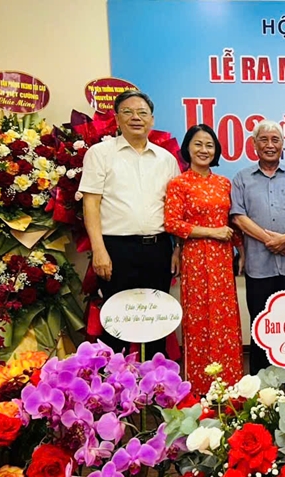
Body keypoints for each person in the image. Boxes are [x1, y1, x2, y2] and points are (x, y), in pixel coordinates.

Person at [79, 90, 181, 359]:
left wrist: (177, 248)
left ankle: (156, 380)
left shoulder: (166, 159)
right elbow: (91, 204)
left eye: (142, 113)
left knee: (157, 320)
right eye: (128, 112)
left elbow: (176, 208)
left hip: (158, 248)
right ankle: (114, 382)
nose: (136, 117)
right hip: (116, 249)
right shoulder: (100, 154)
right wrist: (99, 250)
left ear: (152, 119)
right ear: (117, 118)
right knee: (116, 321)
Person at [165, 124, 245, 394]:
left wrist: (241, 250)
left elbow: (231, 222)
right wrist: (211, 232)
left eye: (209, 145)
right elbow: (172, 223)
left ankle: (230, 385)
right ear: (187, 148)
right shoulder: (178, 184)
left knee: (225, 319)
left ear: (216, 150)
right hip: (195, 258)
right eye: (198, 144)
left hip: (222, 259)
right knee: (198, 320)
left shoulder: (224, 183)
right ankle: (199, 387)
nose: (204, 150)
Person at [231, 119, 285, 375]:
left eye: (275, 140)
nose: (270, 145)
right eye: (264, 140)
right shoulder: (242, 178)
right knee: (261, 327)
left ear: (282, 144)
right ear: (254, 144)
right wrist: (272, 241)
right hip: (259, 266)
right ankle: (261, 386)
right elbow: (238, 217)